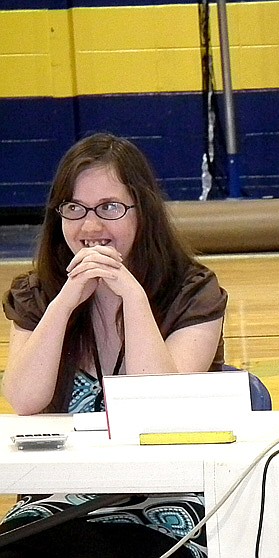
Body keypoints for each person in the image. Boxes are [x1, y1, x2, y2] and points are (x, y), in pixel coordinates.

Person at [1, 133, 227, 557]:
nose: (90, 227)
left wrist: (133, 297)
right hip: (58, 502)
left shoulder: (194, 293)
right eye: (75, 209)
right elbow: (25, 399)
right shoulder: (38, 295)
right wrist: (66, 300)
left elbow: (159, 409)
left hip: (163, 506)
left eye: (109, 208)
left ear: (144, 212)